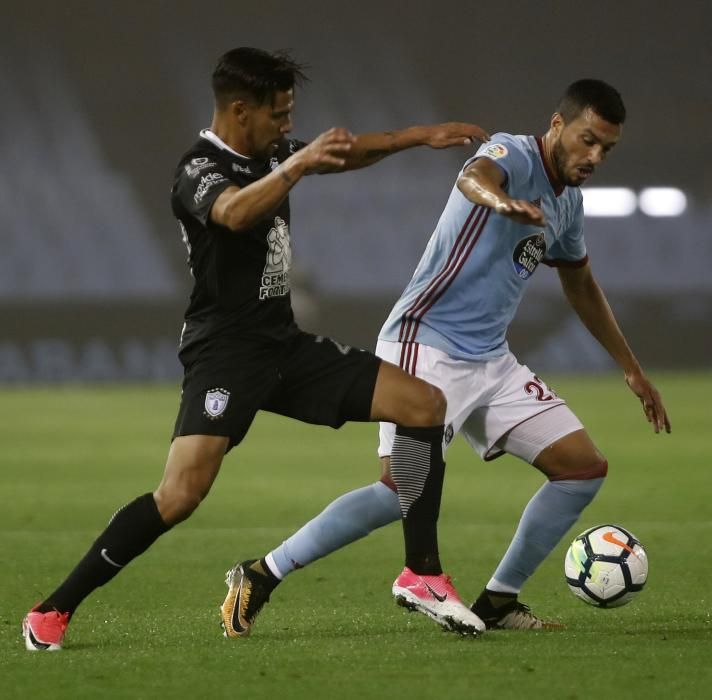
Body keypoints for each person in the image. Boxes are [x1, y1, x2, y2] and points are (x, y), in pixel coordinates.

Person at [22, 47, 493, 651]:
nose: (288, 127)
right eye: (279, 115)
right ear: (240, 111)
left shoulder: (270, 151)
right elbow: (235, 213)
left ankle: (422, 575)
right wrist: (297, 166)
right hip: (225, 355)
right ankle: (53, 610)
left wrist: (418, 136)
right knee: (179, 496)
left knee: (424, 405)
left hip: (284, 347)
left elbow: (346, 154)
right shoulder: (197, 169)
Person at [227, 78, 672, 636]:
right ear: (557, 125)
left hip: (491, 360)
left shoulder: (569, 204)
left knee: (582, 470)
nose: (594, 156)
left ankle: (498, 601)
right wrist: (503, 201)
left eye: (606, 148)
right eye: (587, 140)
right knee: (396, 494)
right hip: (424, 344)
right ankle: (261, 574)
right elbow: (473, 178)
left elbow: (580, 285)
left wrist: (630, 366)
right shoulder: (511, 152)